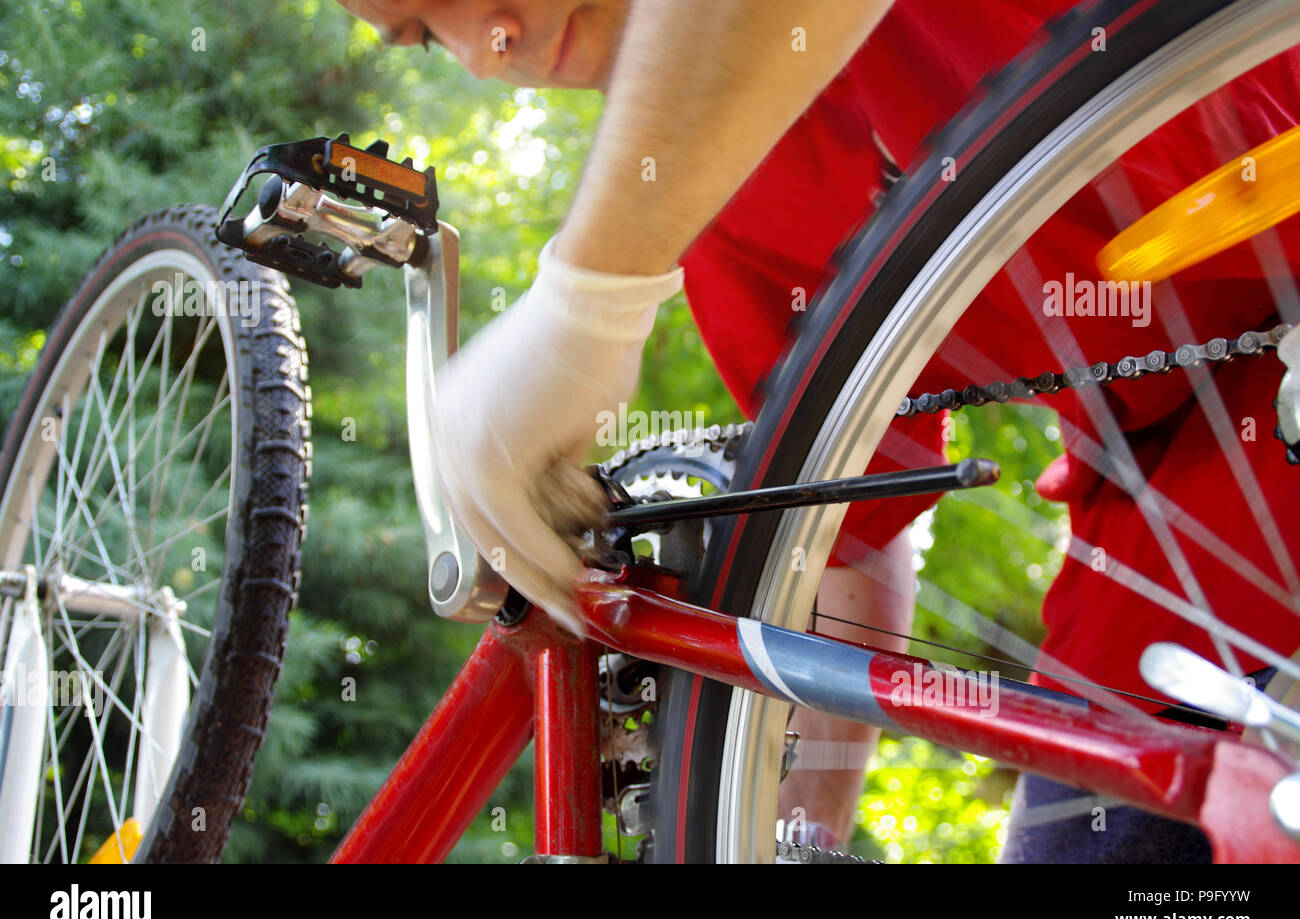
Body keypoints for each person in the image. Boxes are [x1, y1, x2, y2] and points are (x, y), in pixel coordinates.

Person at [336, 0, 1300, 861]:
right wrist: (794, 838)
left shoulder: (650, 209)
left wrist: (589, 293)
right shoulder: (712, 205)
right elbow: (842, 524)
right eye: (423, 36)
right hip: (1175, 513)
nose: (487, 40)